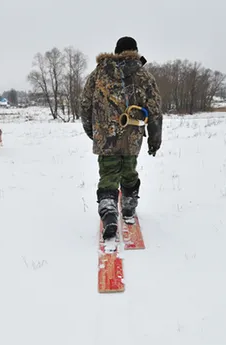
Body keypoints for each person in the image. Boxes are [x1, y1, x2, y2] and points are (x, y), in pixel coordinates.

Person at [80, 36, 163, 240]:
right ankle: (128, 207)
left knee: (108, 174)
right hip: (132, 136)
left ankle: (109, 212)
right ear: (135, 51)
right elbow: (155, 110)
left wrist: (93, 132)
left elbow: (85, 104)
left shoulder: (99, 73)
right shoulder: (144, 76)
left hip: (105, 136)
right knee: (129, 170)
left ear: (116, 52)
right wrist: (154, 140)